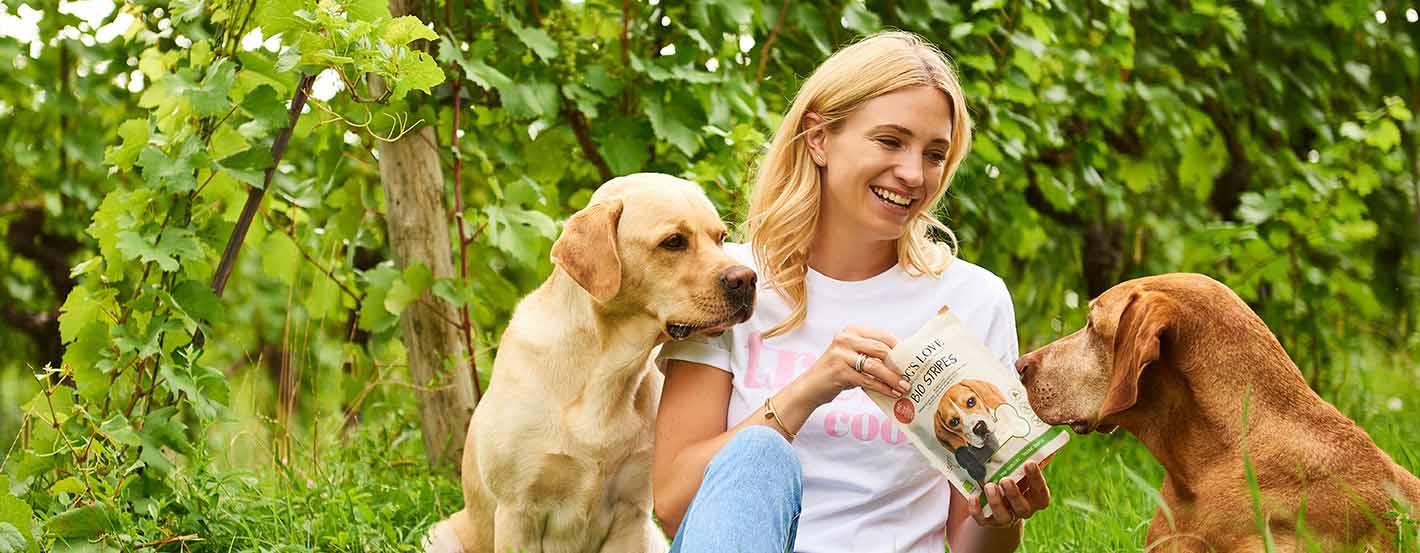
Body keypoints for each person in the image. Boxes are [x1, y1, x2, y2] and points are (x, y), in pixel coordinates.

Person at [652, 31, 1052, 553]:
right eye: (890, 141)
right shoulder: (732, 283)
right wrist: (809, 389)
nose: (913, 174)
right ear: (819, 138)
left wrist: (999, 515)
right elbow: (675, 502)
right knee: (758, 454)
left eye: (934, 154)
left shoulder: (973, 299)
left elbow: (970, 541)